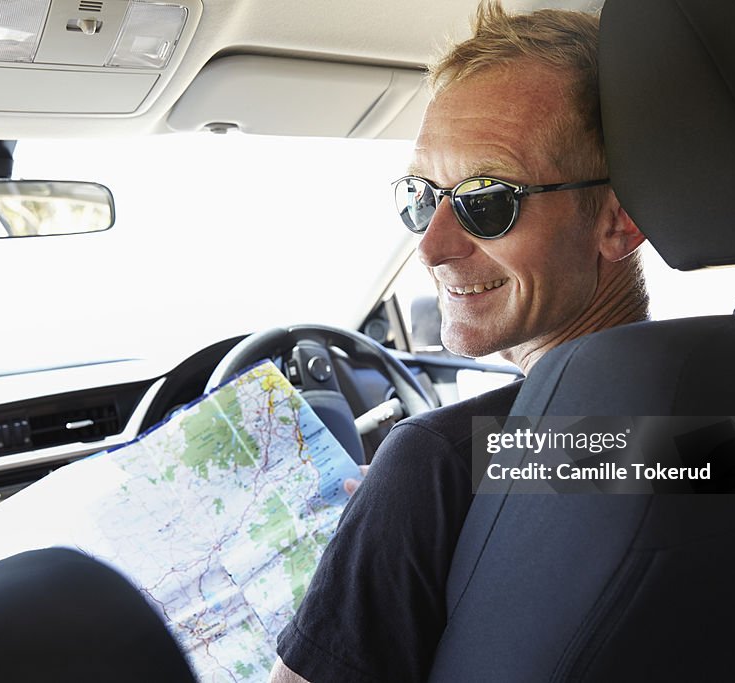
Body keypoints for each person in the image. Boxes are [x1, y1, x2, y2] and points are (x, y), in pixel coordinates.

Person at [271, 3, 648, 682]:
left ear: (620, 218)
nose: (431, 247)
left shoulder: (442, 464)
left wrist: (401, 511)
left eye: (488, 198)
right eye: (422, 195)